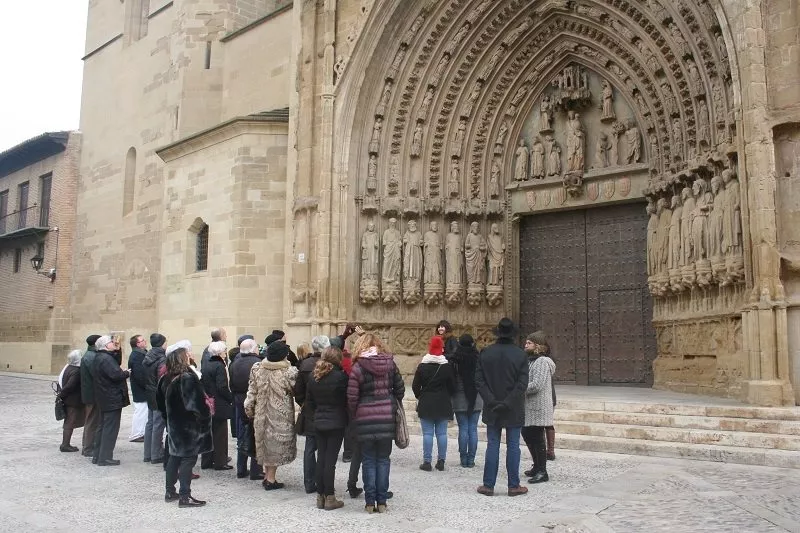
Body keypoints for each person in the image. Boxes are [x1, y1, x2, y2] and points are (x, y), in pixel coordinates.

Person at [347, 333, 405, 514]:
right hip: (386, 417)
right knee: (383, 460)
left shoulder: (358, 368)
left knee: (369, 461)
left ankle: (369, 502)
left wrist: (356, 414)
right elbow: (400, 389)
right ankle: (382, 502)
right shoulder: (390, 365)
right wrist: (390, 400)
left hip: (365, 418)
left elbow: (352, 397)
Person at [475, 318, 529, 497]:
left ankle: (488, 485)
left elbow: (479, 381)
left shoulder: (486, 353)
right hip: (512, 407)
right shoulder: (521, 355)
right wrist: (507, 402)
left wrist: (491, 401)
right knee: (513, 445)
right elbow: (522, 384)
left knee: (493, 444)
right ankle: (513, 485)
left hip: (492, 407)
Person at [157, 346, 210, 507]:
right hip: (188, 425)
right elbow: (196, 404)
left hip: (173, 424)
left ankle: (170, 491)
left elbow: (159, 403)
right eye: (187, 354)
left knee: (174, 457)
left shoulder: (165, 377)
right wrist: (205, 416)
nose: (190, 356)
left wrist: (168, 418)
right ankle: (184, 496)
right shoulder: (187, 378)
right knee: (188, 459)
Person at [244, 341, 299, 490]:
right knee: (275, 445)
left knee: (265, 444)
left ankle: (268, 476)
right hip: (280, 415)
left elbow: (251, 392)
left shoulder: (257, 368)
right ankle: (270, 479)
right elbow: (296, 391)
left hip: (261, 413)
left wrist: (249, 410)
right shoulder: (289, 372)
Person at [306, 346, 349, 510]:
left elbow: (309, 402)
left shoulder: (313, 376)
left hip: (319, 421)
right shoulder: (340, 377)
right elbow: (345, 400)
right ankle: (329, 497)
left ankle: (320, 496)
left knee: (321, 459)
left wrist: (314, 416)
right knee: (330, 461)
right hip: (336, 421)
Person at [412, 336, 456, 472]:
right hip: (443, 401)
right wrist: (447, 395)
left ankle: (427, 462)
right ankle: (441, 461)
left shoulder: (422, 366)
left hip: (427, 402)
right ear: (441, 349)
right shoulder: (446, 367)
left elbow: (415, 386)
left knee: (427, 434)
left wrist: (420, 396)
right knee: (442, 434)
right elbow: (453, 387)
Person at [295, 335, 330, 494]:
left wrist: (304, 404)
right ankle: (324, 482)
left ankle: (309, 482)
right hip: (327, 411)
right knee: (325, 449)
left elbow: (298, 391)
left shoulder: (305, 364)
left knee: (310, 448)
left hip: (310, 410)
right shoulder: (331, 365)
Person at [522, 331, 556, 484]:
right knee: (527, 433)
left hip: (539, 406)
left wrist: (519, 388)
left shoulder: (542, 361)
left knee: (537, 437)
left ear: (537, 345)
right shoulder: (531, 360)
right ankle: (537, 466)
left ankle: (543, 471)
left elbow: (537, 384)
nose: (525, 345)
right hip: (530, 406)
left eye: (529, 343)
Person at [91, 335, 131, 466]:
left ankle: (98, 455)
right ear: (105, 345)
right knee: (110, 428)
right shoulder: (105, 359)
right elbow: (116, 374)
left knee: (103, 427)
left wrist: (118, 349)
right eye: (111, 342)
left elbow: (116, 362)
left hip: (105, 397)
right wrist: (126, 373)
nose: (113, 343)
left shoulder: (101, 356)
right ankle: (105, 457)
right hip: (111, 397)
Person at [229, 338, 263, 480]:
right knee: (256, 435)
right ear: (252, 349)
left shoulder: (234, 363)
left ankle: (241, 468)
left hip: (238, 401)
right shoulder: (257, 364)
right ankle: (256, 470)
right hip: (253, 402)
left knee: (243, 436)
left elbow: (231, 383)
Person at [451, 334, 483, 468]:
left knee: (463, 428)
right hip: (476, 397)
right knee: (473, 429)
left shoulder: (455, 359)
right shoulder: (478, 358)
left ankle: (463, 458)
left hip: (459, 397)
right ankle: (471, 459)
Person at [201, 340, 233, 470]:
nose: (225, 353)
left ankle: (206, 460)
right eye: (224, 351)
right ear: (220, 353)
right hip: (219, 402)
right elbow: (222, 386)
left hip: (209, 400)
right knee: (220, 433)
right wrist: (229, 397)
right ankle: (220, 461)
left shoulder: (206, 363)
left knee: (209, 432)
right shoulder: (219, 365)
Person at [142, 333, 168, 464]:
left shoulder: (148, 355)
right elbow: (161, 377)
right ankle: (156, 454)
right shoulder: (161, 357)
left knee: (151, 423)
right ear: (162, 343)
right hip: (157, 392)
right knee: (158, 423)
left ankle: (148, 453)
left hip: (149, 391)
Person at [57, 349, 85, 452]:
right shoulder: (76, 371)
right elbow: (70, 386)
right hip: (73, 401)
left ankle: (66, 444)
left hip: (70, 400)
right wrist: (61, 395)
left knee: (69, 421)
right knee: (70, 422)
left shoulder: (69, 367)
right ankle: (65, 444)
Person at [79, 334, 101, 457]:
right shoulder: (91, 357)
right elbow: (97, 374)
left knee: (91, 420)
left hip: (90, 393)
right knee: (92, 421)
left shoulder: (89, 355)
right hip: (92, 394)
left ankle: (87, 445)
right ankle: (88, 448)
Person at [127, 334, 149, 442]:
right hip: (140, 389)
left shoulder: (141, 353)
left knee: (144, 411)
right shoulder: (136, 355)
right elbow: (139, 375)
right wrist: (147, 386)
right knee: (141, 411)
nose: (145, 342)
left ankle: (141, 432)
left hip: (142, 388)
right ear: (138, 344)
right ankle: (137, 434)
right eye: (143, 340)